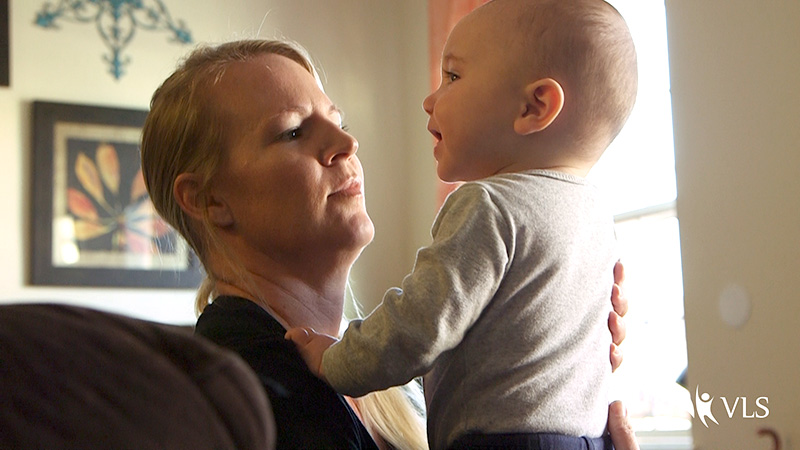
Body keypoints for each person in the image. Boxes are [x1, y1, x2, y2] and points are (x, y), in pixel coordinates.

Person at [140, 37, 636, 449]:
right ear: (209, 200)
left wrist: (548, 363)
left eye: (340, 122)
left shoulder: (398, 379)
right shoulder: (233, 390)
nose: (346, 144)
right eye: (293, 132)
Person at [286, 0, 638, 449]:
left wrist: (335, 360)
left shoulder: (488, 204)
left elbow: (418, 325)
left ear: (535, 106)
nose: (429, 99)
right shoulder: (596, 219)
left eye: (452, 76)